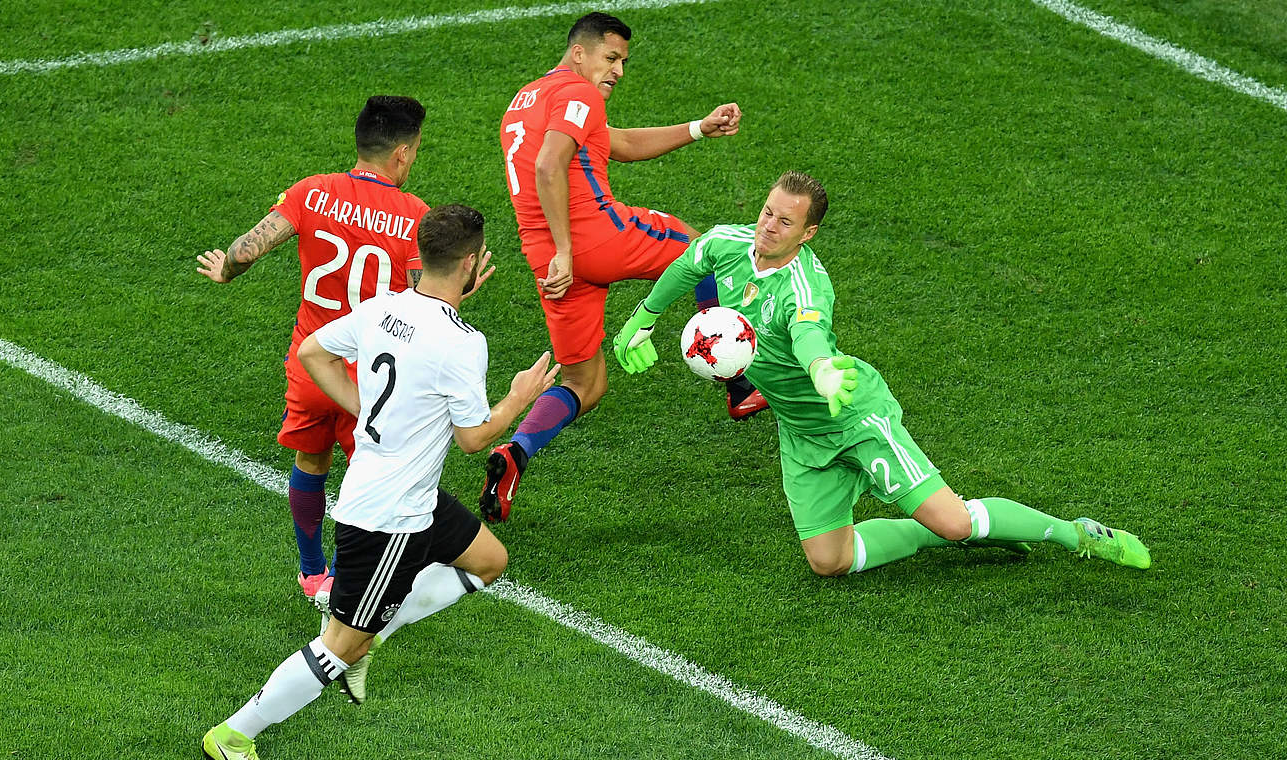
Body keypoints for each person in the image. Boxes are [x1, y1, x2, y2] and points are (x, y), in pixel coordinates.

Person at [612, 171, 1151, 576]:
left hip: (853, 414)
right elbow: (688, 265)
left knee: (957, 522)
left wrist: (821, 369)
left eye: (785, 220)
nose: (768, 226)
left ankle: (1074, 532)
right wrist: (644, 319)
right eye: (767, 212)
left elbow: (808, 334)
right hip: (802, 432)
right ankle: (934, 536)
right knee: (829, 561)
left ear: (809, 232)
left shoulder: (806, 286)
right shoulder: (727, 244)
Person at [202, 205, 559, 760]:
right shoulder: (463, 342)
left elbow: (312, 351)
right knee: (340, 645)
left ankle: (376, 633)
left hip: (406, 495)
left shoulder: (383, 308)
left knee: (489, 560)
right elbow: (472, 439)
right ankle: (233, 734)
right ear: (471, 263)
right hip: (389, 520)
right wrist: (517, 398)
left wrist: (358, 402)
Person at [483, 11, 764, 523]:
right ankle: (740, 385)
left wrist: (699, 128)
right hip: (590, 237)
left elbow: (618, 144)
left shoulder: (526, 100)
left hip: (546, 260)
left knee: (585, 383)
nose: (618, 71)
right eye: (611, 58)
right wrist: (570, 247)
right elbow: (549, 165)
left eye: (624, 62)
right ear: (579, 52)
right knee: (706, 251)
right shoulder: (578, 93)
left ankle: (515, 453)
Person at [197, 96, 432, 608]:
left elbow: (245, 249)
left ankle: (311, 573)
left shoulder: (313, 191)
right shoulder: (414, 214)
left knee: (311, 459)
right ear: (401, 153)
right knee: (376, 479)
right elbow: (423, 300)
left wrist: (226, 270)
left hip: (311, 361)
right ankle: (366, 582)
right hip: (370, 376)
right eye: (413, 151)